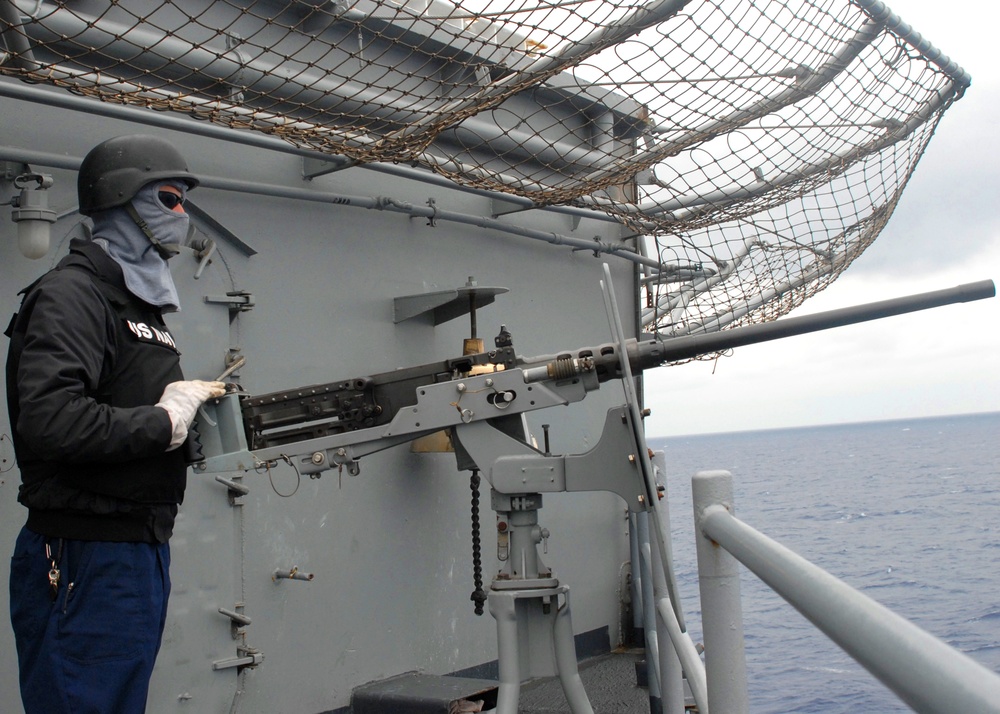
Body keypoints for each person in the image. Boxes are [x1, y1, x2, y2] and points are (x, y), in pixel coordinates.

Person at [4, 134, 225, 713]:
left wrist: (188, 427)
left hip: (133, 550)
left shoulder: (131, 303)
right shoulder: (72, 295)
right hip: (84, 554)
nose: (182, 215)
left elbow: (125, 407)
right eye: (170, 198)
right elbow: (51, 420)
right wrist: (163, 422)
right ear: (123, 199)